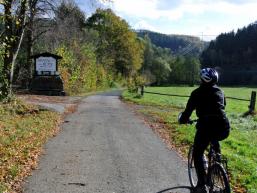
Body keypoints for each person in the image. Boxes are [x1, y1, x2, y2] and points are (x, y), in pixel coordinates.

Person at [178, 68, 230, 193]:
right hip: (224, 127)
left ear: (202, 79)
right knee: (215, 137)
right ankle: (217, 162)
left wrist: (183, 120)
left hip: (205, 127)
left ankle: (201, 185)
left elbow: (187, 112)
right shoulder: (220, 92)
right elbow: (222, 107)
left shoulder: (196, 93)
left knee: (197, 153)